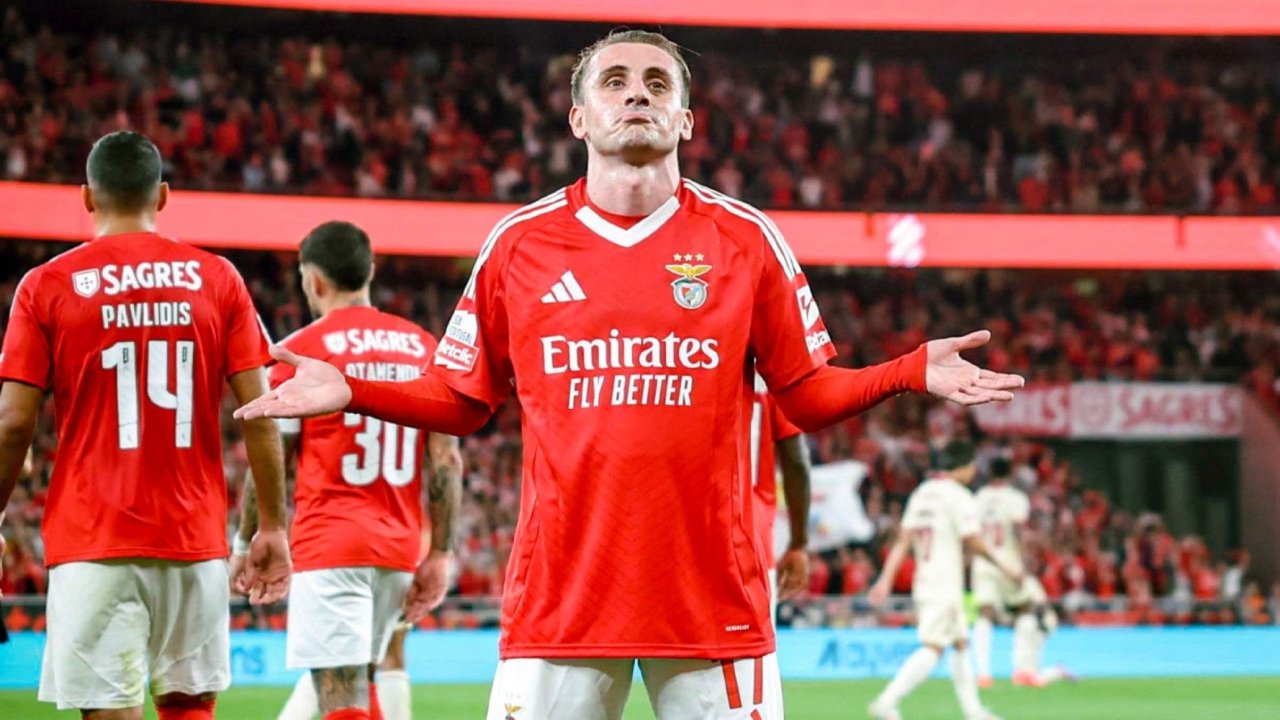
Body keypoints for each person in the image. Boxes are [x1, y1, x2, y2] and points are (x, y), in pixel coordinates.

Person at [235, 30, 1023, 719]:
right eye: (614, 82)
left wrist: (906, 371)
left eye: (656, 83)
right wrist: (354, 391)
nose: (636, 94)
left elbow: (807, 396)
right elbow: (464, 401)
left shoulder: (746, 240)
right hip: (560, 602)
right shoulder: (520, 244)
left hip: (714, 602)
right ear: (579, 117)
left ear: (686, 119)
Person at [0, 131, 291, 720]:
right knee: (189, 708)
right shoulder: (219, 278)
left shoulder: (46, 285)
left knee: (110, 710)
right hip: (194, 540)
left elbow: (12, 425)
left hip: (93, 538)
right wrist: (273, 525)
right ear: (162, 196)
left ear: (87, 197)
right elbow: (261, 411)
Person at [230, 222, 463, 720]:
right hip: (399, 550)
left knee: (341, 697)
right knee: (359, 683)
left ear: (312, 280)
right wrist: (441, 552)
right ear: (370, 272)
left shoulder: (300, 351)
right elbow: (445, 458)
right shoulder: (423, 347)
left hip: (331, 545)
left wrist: (246, 539)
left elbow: (271, 454)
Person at [867, 443, 1022, 720]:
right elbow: (973, 540)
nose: (973, 472)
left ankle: (974, 712)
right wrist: (1004, 565)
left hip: (925, 580)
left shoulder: (922, 493)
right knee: (934, 646)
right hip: (944, 583)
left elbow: (903, 541)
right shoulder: (958, 496)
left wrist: (885, 579)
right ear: (963, 467)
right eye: (972, 467)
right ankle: (886, 702)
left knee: (960, 643)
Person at [750, 376, 813, 618]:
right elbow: (797, 461)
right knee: (752, 641)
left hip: (690, 545)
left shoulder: (687, 374)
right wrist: (798, 544)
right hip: (752, 542)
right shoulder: (770, 379)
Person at [969, 455, 1034, 688]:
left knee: (984, 613)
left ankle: (983, 674)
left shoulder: (978, 498)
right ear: (1010, 473)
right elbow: (1019, 531)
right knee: (1025, 608)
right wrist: (1024, 564)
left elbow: (971, 533)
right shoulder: (1016, 498)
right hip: (1008, 560)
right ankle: (1021, 670)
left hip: (983, 561)